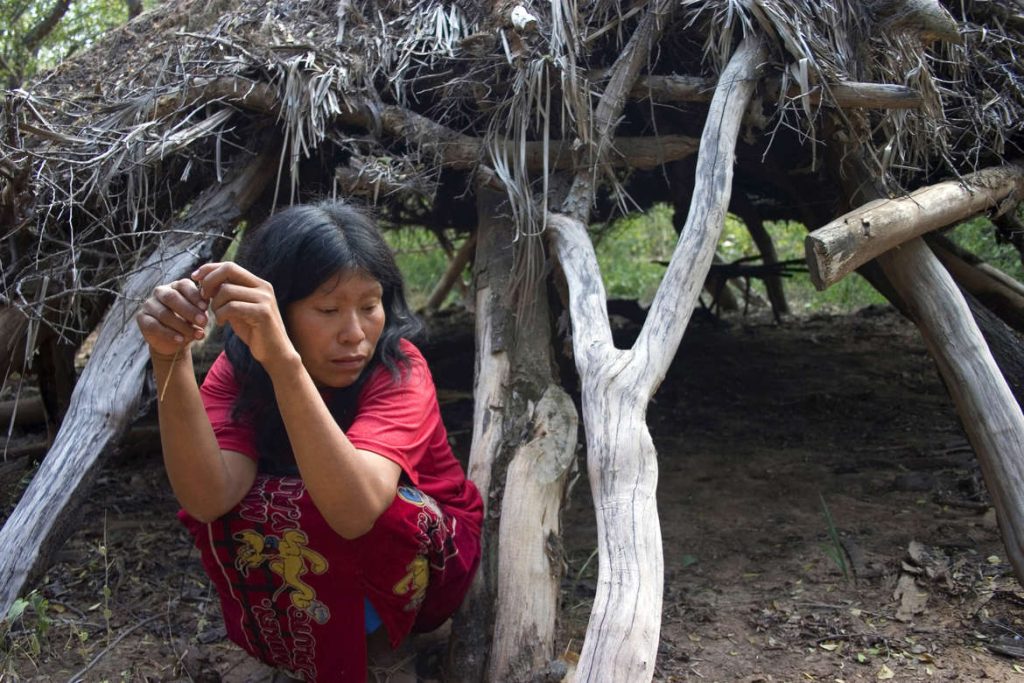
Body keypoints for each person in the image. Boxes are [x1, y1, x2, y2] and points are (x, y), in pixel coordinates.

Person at [136, 202, 483, 681]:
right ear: (279, 310)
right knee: (249, 512)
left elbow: (356, 508)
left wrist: (284, 363)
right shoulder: (240, 370)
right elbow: (208, 497)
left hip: (430, 572)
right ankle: (315, 640)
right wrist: (167, 356)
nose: (355, 333)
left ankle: (380, 643)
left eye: (369, 306)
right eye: (327, 309)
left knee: (364, 507)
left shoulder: (399, 368)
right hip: (322, 564)